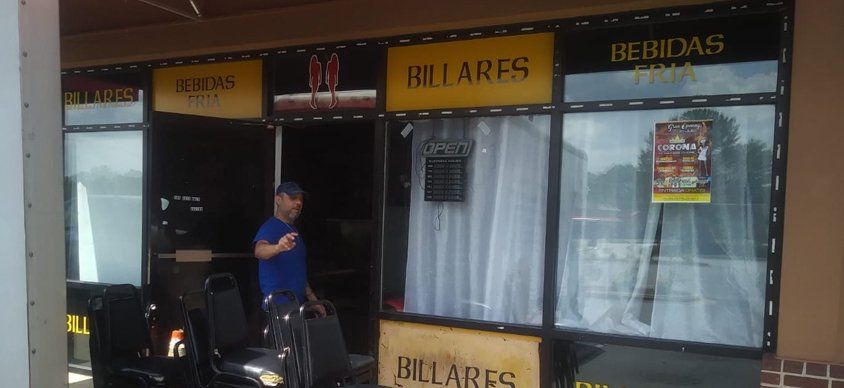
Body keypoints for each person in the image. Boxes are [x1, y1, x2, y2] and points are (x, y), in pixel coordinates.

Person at [253, 182, 323, 313]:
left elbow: (298, 269)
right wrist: (278, 247)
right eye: (292, 198)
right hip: (279, 305)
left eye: (300, 199)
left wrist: (312, 299)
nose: (298, 203)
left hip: (295, 304)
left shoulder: (293, 231)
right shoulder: (271, 227)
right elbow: (259, 250)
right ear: (278, 200)